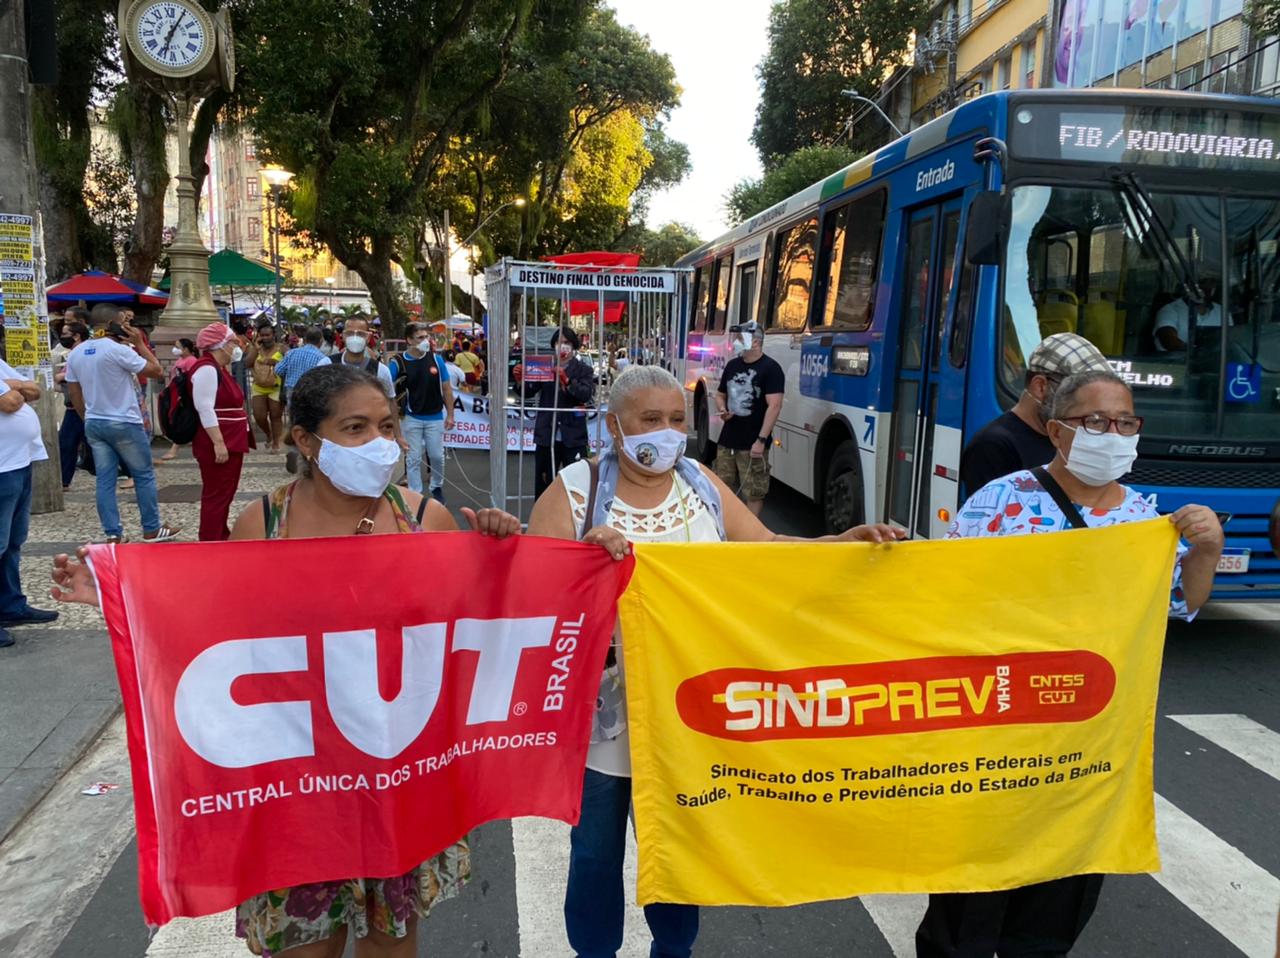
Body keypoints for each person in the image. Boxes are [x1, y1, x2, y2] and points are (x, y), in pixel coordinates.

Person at [50, 362, 523, 957]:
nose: (381, 443)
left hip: (395, 777)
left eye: (387, 425)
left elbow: (471, 629)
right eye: (355, 428)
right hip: (296, 787)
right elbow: (213, 623)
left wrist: (502, 556)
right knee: (305, 947)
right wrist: (125, 599)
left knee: (390, 943)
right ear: (306, 440)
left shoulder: (425, 519)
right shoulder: (263, 524)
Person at [527, 364, 903, 958]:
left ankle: (674, 951)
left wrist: (839, 546)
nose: (667, 432)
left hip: (690, 716)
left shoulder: (700, 481)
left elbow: (769, 551)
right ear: (614, 426)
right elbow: (533, 597)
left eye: (677, 419)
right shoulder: (576, 491)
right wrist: (579, 564)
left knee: (679, 849)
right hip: (603, 720)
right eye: (650, 419)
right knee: (595, 853)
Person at [915, 369, 1224, 958]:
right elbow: (941, 598)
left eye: (1125, 422)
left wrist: (1205, 551)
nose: (1114, 432)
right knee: (971, 896)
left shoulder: (1143, 521)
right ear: (1057, 431)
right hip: (997, 732)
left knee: (1060, 891)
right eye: (1095, 422)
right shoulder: (1001, 503)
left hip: (1090, 741)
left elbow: (1180, 605)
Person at [64, 305, 180, 543]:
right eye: (122, 322)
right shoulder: (118, 350)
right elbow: (157, 370)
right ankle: (151, 528)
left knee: (105, 480)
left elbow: (74, 392)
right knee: (143, 475)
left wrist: (87, 416)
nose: (127, 327)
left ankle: (113, 533)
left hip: (95, 422)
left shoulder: (76, 352)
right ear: (110, 325)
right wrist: (139, 343)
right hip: (124, 421)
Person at [960, 332, 1113, 496]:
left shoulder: (1063, 436)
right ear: (1041, 387)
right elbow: (987, 517)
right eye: (1077, 395)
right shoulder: (992, 447)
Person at [0, 360, 57, 648]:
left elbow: (35, 390)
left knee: (12, 542)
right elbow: (10, 403)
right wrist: (15, 388)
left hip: (18, 461)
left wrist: (15, 386)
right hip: (2, 467)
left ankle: (11, 604)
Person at [714, 321, 783, 516]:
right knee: (722, 487)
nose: (735, 342)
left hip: (753, 442)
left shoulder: (771, 368)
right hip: (728, 440)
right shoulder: (732, 365)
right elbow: (720, 395)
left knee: (753, 491)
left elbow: (775, 405)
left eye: (739, 338)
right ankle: (725, 529)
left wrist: (761, 440)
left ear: (755, 342)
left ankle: (749, 537)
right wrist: (722, 409)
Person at [190, 324, 252, 541]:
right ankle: (211, 538)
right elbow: (204, 407)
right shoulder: (207, 369)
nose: (238, 346)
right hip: (219, 441)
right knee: (217, 494)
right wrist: (218, 442)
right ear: (221, 345)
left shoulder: (217, 368)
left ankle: (219, 534)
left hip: (230, 439)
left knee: (224, 492)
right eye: (234, 341)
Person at [388, 323, 454, 503]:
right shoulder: (398, 362)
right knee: (413, 458)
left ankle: (436, 485)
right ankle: (415, 494)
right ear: (409, 340)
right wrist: (396, 432)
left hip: (435, 417)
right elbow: (385, 388)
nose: (426, 341)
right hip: (412, 418)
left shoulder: (436, 359)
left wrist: (450, 415)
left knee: (436, 456)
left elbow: (447, 388)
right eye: (420, 337)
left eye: (427, 337)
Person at [529, 327, 595, 499]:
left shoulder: (583, 370)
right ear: (553, 345)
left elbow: (586, 394)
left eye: (566, 343)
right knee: (544, 485)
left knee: (577, 486)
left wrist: (567, 380)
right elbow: (528, 391)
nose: (562, 346)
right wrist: (523, 379)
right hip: (546, 434)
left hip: (573, 436)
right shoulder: (544, 366)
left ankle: (575, 522)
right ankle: (542, 522)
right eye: (559, 342)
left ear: (573, 346)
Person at [55, 318, 91, 489]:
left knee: (70, 443)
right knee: (69, 443)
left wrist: (60, 377)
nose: (62, 337)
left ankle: (129, 471)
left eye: (65, 334)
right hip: (74, 405)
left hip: (82, 405)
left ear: (76, 336)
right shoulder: (75, 353)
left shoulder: (81, 353)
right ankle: (63, 480)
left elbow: (67, 375)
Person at [1154, 277, 1223, 352]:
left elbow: (1231, 340)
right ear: (1189, 287)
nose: (1206, 290)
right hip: (1175, 362)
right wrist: (1196, 352)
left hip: (1215, 361)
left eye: (1211, 285)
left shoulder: (1223, 312)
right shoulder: (1169, 310)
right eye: (1201, 284)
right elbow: (1168, 340)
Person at [245, 322, 285, 451]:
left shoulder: (282, 348)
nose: (265, 338)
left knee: (275, 415)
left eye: (268, 335)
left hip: (276, 386)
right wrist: (255, 349)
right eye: (262, 335)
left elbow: (290, 361)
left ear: (273, 335)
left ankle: (276, 443)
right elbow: (247, 363)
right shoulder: (256, 348)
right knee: (259, 416)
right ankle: (269, 435)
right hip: (259, 387)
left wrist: (275, 362)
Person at [158, 338, 200, 462]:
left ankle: (175, 448)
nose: (175, 349)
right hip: (178, 394)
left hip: (185, 396)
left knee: (183, 421)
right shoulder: (181, 360)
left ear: (186, 349)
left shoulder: (191, 361)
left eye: (178, 347)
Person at [274, 327, 330, 400]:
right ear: (321, 340)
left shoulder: (291, 353)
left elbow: (278, 370)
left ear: (305, 339)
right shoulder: (323, 359)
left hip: (292, 391)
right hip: (311, 394)